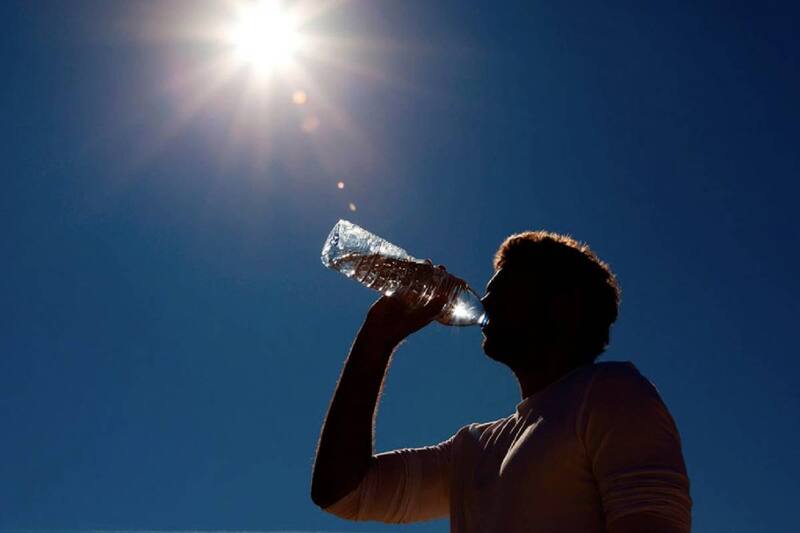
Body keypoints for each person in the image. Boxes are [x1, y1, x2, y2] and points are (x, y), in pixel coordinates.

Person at [311, 231, 692, 532]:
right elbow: (342, 491)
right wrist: (377, 339)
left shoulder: (613, 392)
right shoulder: (473, 449)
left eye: (504, 292)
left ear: (564, 308)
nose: (485, 302)